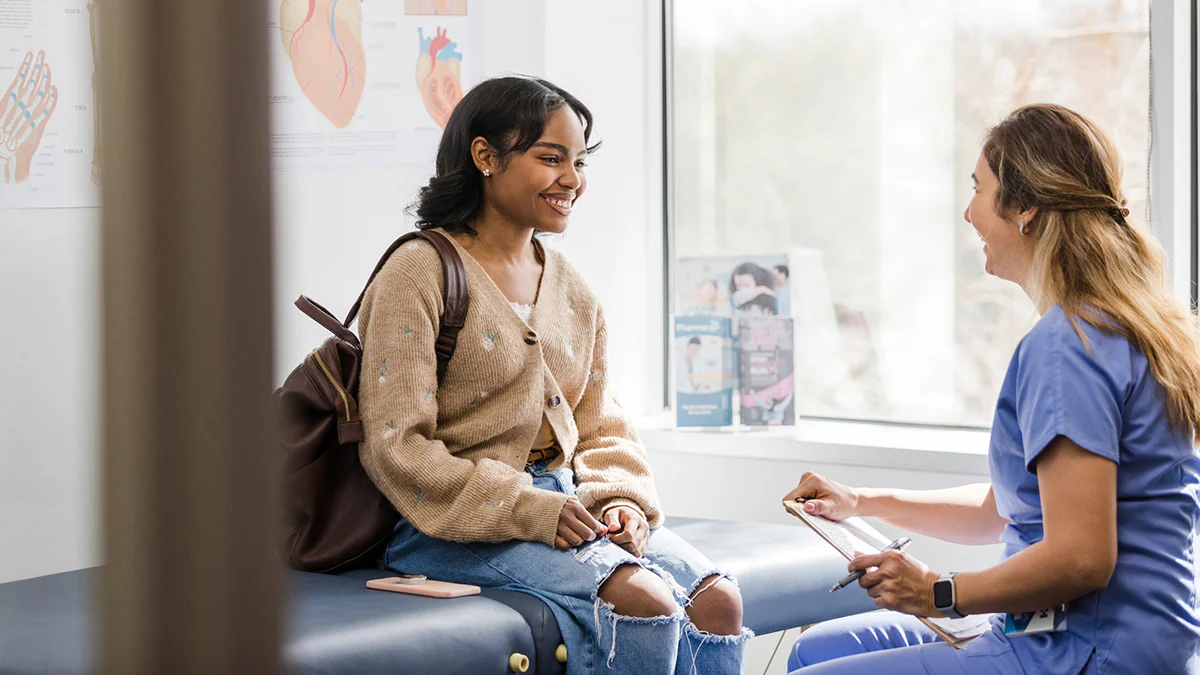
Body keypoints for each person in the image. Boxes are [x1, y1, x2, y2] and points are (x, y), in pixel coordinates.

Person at [784, 103, 1200, 674]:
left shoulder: (1067, 346)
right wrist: (863, 502)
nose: (967, 211)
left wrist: (938, 592)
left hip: (1086, 647)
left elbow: (1081, 558)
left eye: (979, 189)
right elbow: (1008, 509)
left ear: (1025, 208)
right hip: (1109, 632)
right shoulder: (1112, 326)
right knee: (821, 649)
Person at [357, 76, 750, 675]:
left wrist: (621, 501)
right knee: (643, 600)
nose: (573, 179)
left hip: (571, 506)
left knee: (718, 601)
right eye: (551, 158)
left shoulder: (571, 287)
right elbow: (396, 446)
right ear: (485, 157)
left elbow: (601, 425)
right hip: (448, 526)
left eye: (579, 162)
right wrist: (525, 506)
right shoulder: (418, 271)